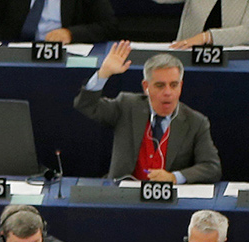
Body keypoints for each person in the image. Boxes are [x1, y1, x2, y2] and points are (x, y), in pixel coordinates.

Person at [75, 46, 222, 184]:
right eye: (160, 85)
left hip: (168, 197)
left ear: (181, 86)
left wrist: (174, 177)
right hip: (123, 193)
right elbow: (86, 105)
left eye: (173, 85)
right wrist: (103, 74)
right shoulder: (127, 106)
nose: (168, 92)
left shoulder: (196, 122)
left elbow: (212, 167)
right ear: (146, 87)